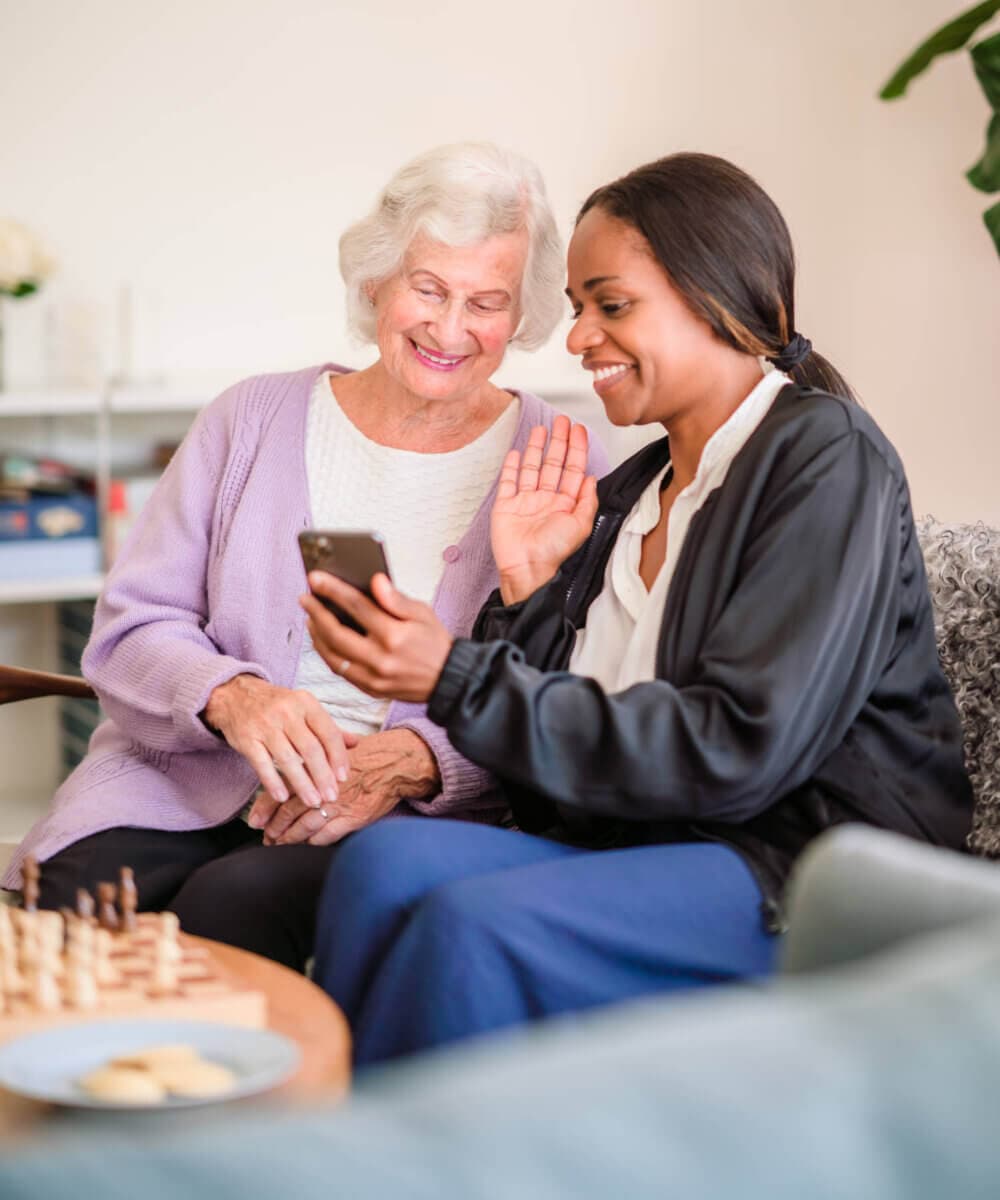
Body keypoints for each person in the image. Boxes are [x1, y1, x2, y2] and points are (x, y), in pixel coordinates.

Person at [301, 152, 974, 1065]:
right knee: (379, 868)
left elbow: (739, 750)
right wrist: (528, 589)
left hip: (801, 875)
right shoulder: (629, 491)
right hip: (640, 844)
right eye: (577, 307)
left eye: (610, 305)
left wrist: (452, 674)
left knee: (476, 924)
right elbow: (544, 778)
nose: (577, 337)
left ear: (717, 296)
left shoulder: (826, 459)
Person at [1, 142, 607, 970]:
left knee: (231, 915)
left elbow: (574, 695)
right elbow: (132, 626)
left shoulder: (561, 460)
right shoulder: (250, 418)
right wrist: (233, 695)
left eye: (486, 302)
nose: (450, 328)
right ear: (377, 281)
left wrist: (426, 761)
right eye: (428, 289)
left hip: (378, 821)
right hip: (183, 780)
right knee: (67, 902)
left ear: (523, 315)